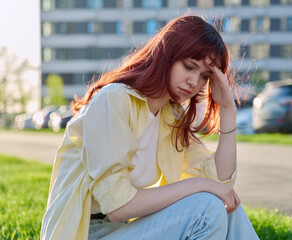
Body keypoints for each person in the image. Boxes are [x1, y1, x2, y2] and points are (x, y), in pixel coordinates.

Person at [40, 15, 259, 240]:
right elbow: (118, 207)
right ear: (166, 55)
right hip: (83, 233)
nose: (195, 82)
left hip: (122, 231)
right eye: (189, 66)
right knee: (206, 208)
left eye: (205, 76)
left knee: (224, 205)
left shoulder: (170, 116)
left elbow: (219, 180)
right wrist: (200, 185)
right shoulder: (113, 101)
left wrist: (227, 108)